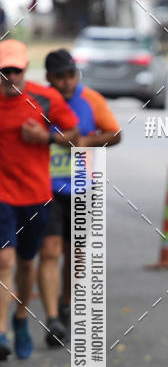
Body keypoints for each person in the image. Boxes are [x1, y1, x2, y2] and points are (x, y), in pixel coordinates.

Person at [0, 39, 79, 360]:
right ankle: (2, 334)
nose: (11, 77)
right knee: (4, 260)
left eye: (16, 71)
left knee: (26, 263)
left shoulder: (45, 99)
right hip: (2, 195)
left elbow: (74, 134)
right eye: (4, 71)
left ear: (25, 70)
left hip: (35, 195)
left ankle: (21, 319)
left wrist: (46, 137)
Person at [38, 48, 121, 346]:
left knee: (77, 255)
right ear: (49, 78)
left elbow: (115, 133)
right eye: (60, 77)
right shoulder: (40, 102)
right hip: (47, 190)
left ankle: (65, 302)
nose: (67, 82)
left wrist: (89, 140)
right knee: (49, 250)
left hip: (83, 189)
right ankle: (52, 320)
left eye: (71, 75)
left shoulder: (91, 100)